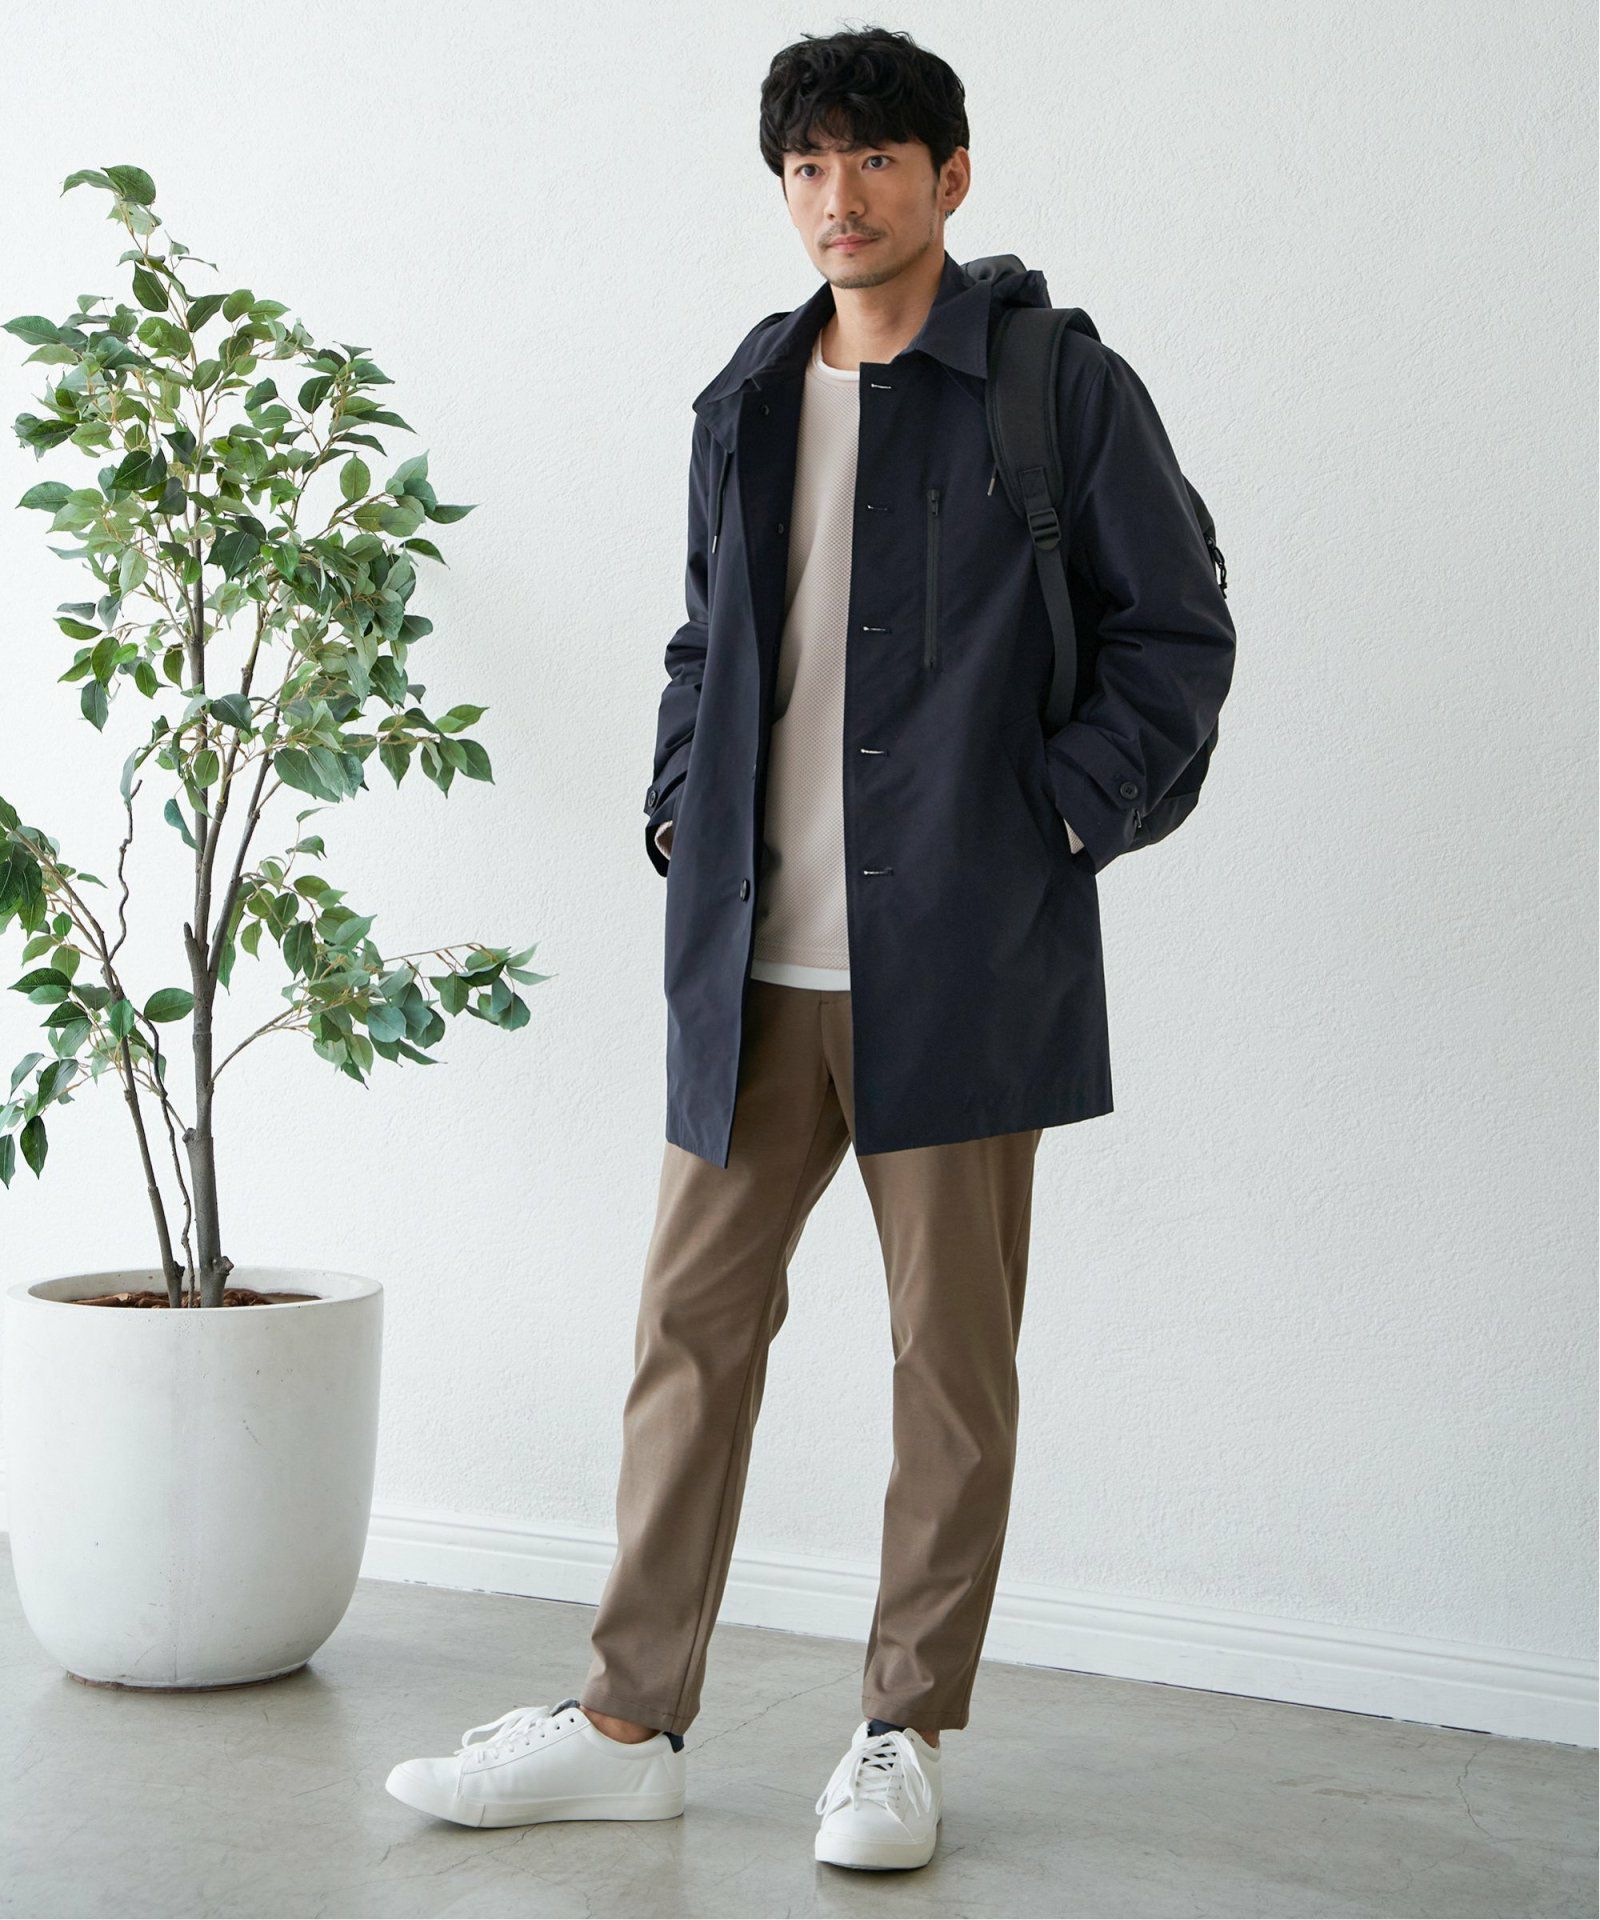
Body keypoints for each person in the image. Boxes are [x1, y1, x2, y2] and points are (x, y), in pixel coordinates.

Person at [386, 23, 1236, 1871]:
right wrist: (676, 807)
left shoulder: (1058, 386)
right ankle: (626, 1720)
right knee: (686, 1334)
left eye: (873, 160)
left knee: (952, 1368)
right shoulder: (752, 395)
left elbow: (1176, 633)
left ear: (949, 175)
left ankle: (902, 1734)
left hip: (961, 963)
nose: (836, 198)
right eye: (805, 166)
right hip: (756, 962)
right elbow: (708, 639)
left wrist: (1056, 823)